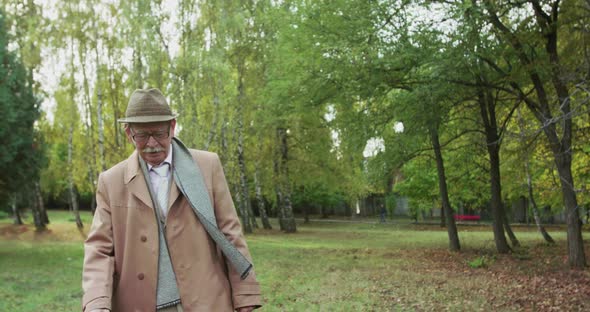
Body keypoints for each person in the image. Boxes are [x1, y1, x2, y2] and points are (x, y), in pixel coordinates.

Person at [82, 88, 261, 312]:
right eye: (142, 135)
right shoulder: (111, 181)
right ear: (129, 133)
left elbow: (230, 232)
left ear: (172, 127)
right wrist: (96, 302)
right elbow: (99, 249)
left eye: (159, 133)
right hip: (139, 304)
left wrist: (245, 294)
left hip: (206, 300)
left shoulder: (207, 166)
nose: (152, 143)